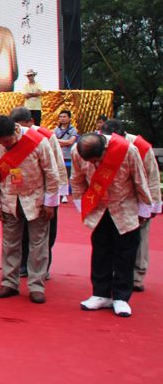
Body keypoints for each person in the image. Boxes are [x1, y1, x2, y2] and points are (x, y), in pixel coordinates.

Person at [71, 133, 153, 317]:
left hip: (125, 207)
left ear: (105, 150)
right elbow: (76, 180)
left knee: (125, 253)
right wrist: (80, 205)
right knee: (100, 250)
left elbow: (140, 179)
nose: (94, 164)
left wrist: (145, 210)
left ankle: (121, 297)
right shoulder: (78, 151)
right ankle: (100, 294)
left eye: (96, 160)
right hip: (98, 207)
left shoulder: (127, 150)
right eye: (89, 161)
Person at [0, 116, 59, 304]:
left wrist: (50, 203)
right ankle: (9, 282)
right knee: (10, 243)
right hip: (9, 199)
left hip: (36, 199)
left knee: (38, 244)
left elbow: (51, 172)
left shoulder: (37, 141)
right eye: (0, 141)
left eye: (7, 141)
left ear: (15, 131)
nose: (4, 144)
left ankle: (36, 285)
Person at [101, 119, 162, 293]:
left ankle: (137, 276)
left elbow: (153, 177)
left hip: (138, 199)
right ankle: (114, 273)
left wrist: (152, 206)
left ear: (124, 135)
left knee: (140, 238)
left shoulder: (141, 147)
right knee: (113, 238)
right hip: (114, 199)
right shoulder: (101, 143)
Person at [10, 107, 68, 279]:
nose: (20, 131)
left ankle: (43, 267)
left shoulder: (46, 136)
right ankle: (23, 264)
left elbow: (57, 166)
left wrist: (56, 195)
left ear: (31, 122)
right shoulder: (11, 135)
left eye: (23, 126)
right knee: (22, 232)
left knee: (44, 233)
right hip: (20, 191)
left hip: (43, 191)